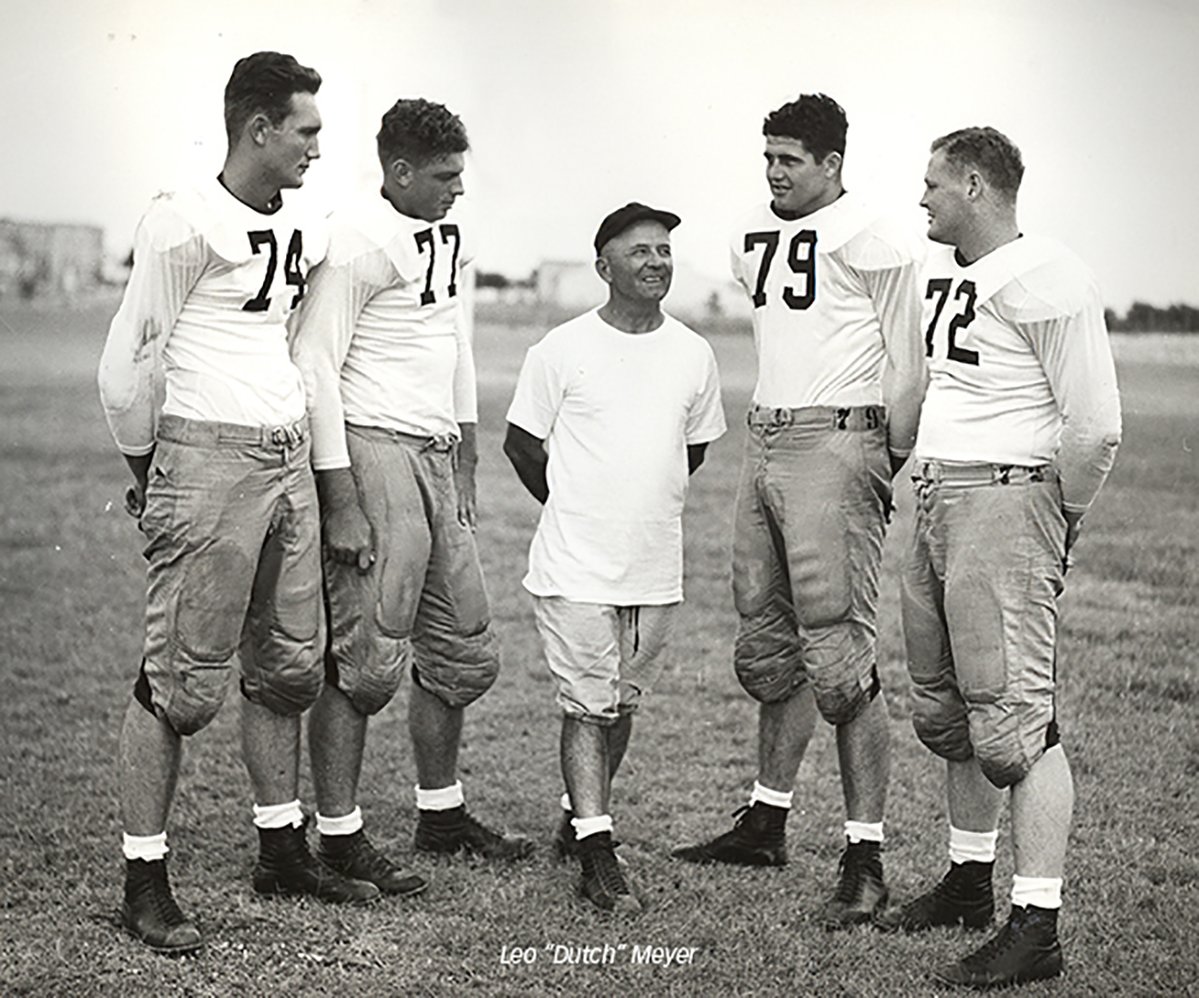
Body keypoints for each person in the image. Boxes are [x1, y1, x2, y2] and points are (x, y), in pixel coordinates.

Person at [98, 52, 380, 956]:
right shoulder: (183, 222)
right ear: (258, 129)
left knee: (289, 665)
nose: (315, 150)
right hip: (207, 456)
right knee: (178, 680)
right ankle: (145, 877)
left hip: (286, 457)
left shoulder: (301, 220)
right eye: (305, 131)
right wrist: (150, 468)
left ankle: (279, 847)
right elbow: (125, 365)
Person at [873, 127, 1121, 988]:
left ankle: (1037, 925)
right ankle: (967, 880)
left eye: (934, 184)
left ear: (975, 186)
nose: (923, 198)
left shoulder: (1047, 275)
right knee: (952, 709)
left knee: (1017, 718)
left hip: (1004, 500)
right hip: (943, 497)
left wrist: (1064, 514)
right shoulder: (960, 275)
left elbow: (1092, 424)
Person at [671, 93, 925, 929]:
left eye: (790, 160)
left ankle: (865, 855)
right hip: (767, 437)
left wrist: (878, 455)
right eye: (768, 157)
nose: (774, 172)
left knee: (838, 652)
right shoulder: (754, 226)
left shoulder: (875, 238)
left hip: (836, 441)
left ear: (831, 165)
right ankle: (765, 819)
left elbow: (905, 361)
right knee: (771, 639)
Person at [291, 98, 531, 890]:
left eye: (460, 174)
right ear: (397, 171)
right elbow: (317, 364)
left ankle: (440, 810)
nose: (457, 189)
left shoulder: (446, 232)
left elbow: (453, 337)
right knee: (365, 658)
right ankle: (338, 833)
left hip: (433, 450)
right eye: (443, 176)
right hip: (374, 448)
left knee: (462, 650)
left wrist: (462, 448)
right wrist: (341, 494)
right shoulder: (355, 239)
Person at [503, 203, 726, 912]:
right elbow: (520, 444)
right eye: (639, 252)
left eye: (663, 251)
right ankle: (598, 854)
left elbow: (693, 448)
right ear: (603, 267)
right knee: (586, 704)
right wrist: (573, 506)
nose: (656, 262)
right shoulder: (560, 350)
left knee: (619, 704)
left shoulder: (693, 352)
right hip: (574, 565)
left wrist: (637, 505)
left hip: (653, 566)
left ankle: (579, 816)